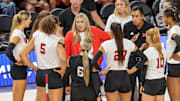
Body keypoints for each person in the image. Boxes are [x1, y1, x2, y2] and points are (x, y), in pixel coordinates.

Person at [92, 22, 147, 101]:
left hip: (111, 77)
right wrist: (132, 70)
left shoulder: (106, 44)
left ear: (111, 31)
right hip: (124, 77)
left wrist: (102, 71)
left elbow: (94, 61)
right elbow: (143, 58)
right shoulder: (129, 43)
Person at [64, 13, 110, 101]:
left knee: (93, 89)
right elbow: (66, 53)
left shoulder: (94, 30)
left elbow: (108, 37)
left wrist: (102, 50)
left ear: (86, 23)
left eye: (82, 22)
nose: (79, 24)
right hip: (78, 67)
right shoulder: (70, 35)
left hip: (93, 67)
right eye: (77, 22)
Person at [20, 15, 66, 101]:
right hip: (53, 73)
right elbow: (63, 59)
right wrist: (63, 71)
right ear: (56, 25)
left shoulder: (37, 36)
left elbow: (22, 54)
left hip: (40, 73)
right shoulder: (58, 41)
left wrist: (34, 68)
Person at [123, 6, 154, 101]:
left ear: (142, 16)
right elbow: (124, 45)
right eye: (132, 16)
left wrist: (146, 46)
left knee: (143, 88)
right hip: (131, 60)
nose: (134, 19)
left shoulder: (149, 27)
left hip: (144, 61)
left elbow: (154, 44)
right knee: (130, 88)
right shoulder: (127, 26)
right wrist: (131, 42)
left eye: (136, 16)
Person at [5, 10, 31, 101]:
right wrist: (16, 61)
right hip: (18, 69)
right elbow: (8, 51)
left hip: (21, 68)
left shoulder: (21, 32)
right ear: (24, 21)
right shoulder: (17, 34)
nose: (30, 21)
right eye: (29, 19)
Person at [140, 28, 167, 101]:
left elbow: (143, 70)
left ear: (149, 37)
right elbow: (165, 68)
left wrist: (142, 84)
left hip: (151, 81)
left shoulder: (148, 52)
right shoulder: (163, 50)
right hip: (162, 80)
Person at [163, 7, 180, 101]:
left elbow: (179, 42)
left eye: (164, 17)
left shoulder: (174, 30)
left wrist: (174, 53)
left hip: (174, 67)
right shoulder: (177, 28)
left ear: (169, 18)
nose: (163, 20)